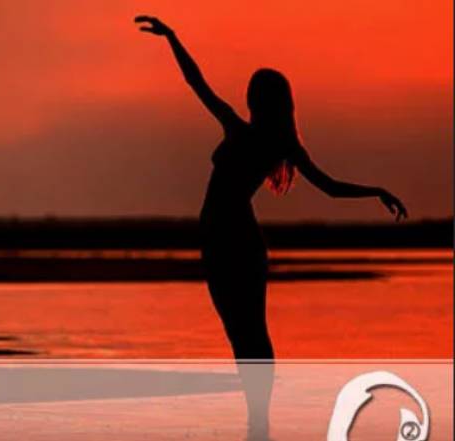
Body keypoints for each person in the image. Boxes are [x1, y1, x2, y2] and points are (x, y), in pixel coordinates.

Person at [135, 15, 408, 440]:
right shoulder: (267, 138)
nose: (248, 96)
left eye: (254, 91)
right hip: (226, 236)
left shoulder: (252, 135)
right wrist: (172, 39)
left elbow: (197, 83)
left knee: (247, 330)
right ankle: (257, 418)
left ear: (262, 100)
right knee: (244, 330)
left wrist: (375, 190)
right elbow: (197, 83)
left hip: (230, 237)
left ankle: (258, 420)